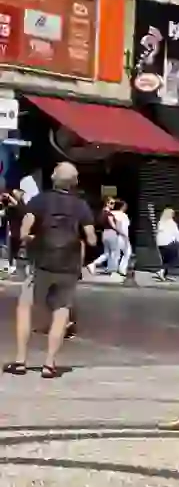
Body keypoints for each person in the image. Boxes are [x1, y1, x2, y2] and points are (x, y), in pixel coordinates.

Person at [4, 162, 96, 378]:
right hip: (69, 265)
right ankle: (49, 364)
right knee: (61, 311)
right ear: (74, 183)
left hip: (43, 262)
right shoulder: (82, 206)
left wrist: (36, 238)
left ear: (54, 177)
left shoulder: (40, 200)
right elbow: (91, 239)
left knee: (26, 305)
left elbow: (24, 232)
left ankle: (21, 361)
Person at [86, 198, 125, 275]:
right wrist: (120, 231)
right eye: (111, 203)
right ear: (106, 203)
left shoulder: (101, 213)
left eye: (113, 203)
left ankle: (97, 265)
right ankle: (111, 269)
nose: (113, 205)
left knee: (107, 253)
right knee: (114, 252)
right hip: (111, 233)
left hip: (105, 233)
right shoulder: (109, 214)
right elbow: (112, 225)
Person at [154, 207, 179, 282]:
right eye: (173, 213)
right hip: (169, 243)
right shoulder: (171, 223)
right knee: (173, 259)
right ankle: (161, 271)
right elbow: (177, 234)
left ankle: (163, 274)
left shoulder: (160, 222)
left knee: (165, 259)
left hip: (160, 244)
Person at [0, 189, 25, 277]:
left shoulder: (22, 205)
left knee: (16, 251)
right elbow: (3, 213)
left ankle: (17, 268)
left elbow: (19, 207)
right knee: (11, 251)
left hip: (18, 232)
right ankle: (11, 267)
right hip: (11, 232)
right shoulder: (11, 208)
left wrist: (9, 197)